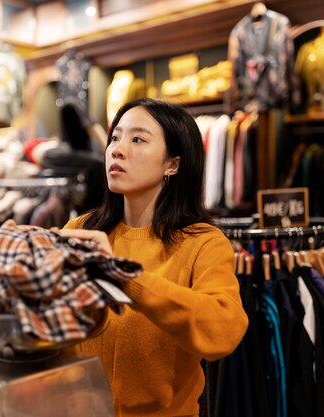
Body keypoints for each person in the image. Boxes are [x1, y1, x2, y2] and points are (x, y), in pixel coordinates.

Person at [57, 98, 248, 416]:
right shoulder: (82, 230)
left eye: (137, 139)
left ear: (172, 164)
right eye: (115, 137)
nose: (117, 150)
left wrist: (124, 276)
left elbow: (223, 331)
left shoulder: (202, 243)